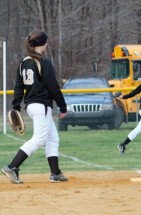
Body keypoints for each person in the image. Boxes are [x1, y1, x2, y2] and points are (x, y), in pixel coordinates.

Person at [2, 29, 68, 184]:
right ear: (42, 44)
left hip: (31, 105)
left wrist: (16, 106)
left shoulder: (24, 62)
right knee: (39, 139)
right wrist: (63, 107)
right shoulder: (43, 62)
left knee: (53, 138)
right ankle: (12, 166)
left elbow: (19, 87)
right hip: (41, 105)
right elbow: (53, 87)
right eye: (46, 41)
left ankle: (55, 173)